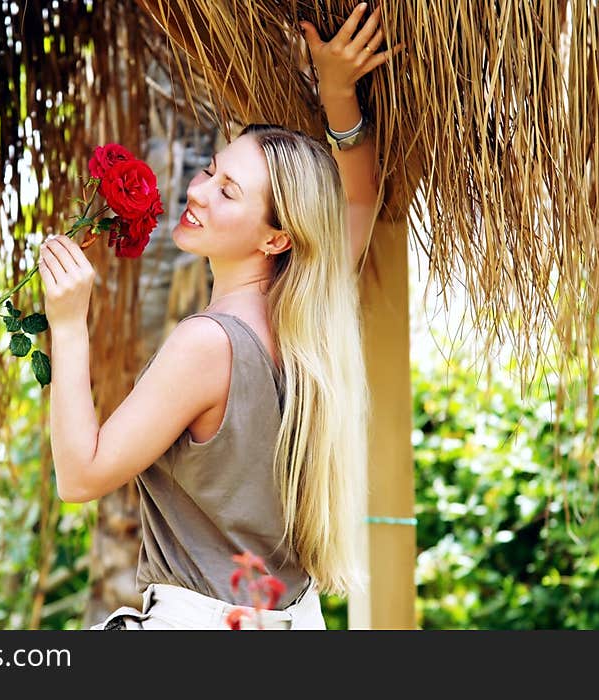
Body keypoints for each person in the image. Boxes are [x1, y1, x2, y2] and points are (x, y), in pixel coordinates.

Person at [37, 5, 399, 630]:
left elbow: (80, 475)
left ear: (275, 238)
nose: (198, 191)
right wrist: (339, 93)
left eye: (228, 191)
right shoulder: (309, 326)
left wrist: (69, 325)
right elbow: (358, 195)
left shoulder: (209, 345)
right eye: (210, 170)